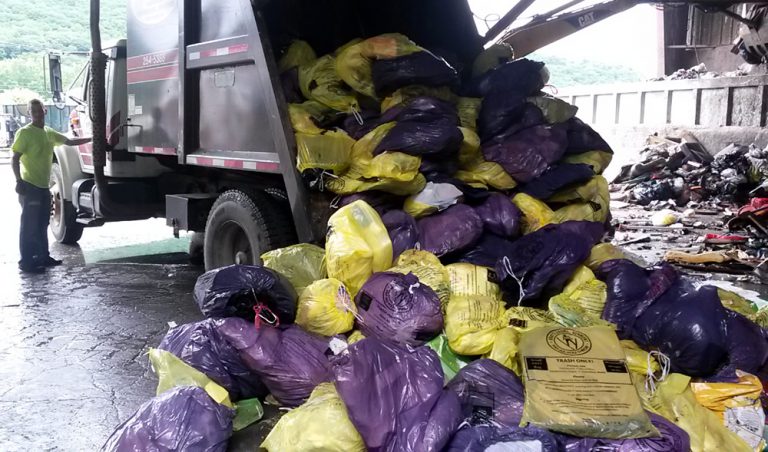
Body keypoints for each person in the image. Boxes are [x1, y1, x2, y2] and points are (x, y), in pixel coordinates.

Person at [11, 99, 91, 273]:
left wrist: (93, 138)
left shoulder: (48, 132)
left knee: (42, 224)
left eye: (40, 111)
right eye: (34, 112)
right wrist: (18, 181)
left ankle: (43, 257)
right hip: (30, 186)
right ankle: (26, 261)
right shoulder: (24, 133)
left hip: (43, 187)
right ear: (30, 114)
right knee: (29, 226)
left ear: (45, 111)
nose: (37, 114)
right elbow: (15, 158)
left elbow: (69, 142)